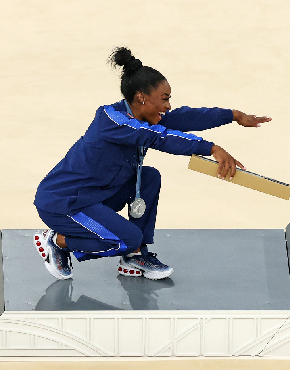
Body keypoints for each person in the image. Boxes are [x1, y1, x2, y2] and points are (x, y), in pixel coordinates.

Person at [33, 47, 271, 281]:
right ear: (141, 98)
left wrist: (233, 115)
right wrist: (212, 149)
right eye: (165, 99)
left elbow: (185, 117)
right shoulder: (111, 120)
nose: (168, 106)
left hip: (95, 195)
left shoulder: (144, 115)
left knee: (149, 177)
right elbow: (159, 137)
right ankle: (57, 240)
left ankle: (134, 256)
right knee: (128, 238)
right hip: (64, 202)